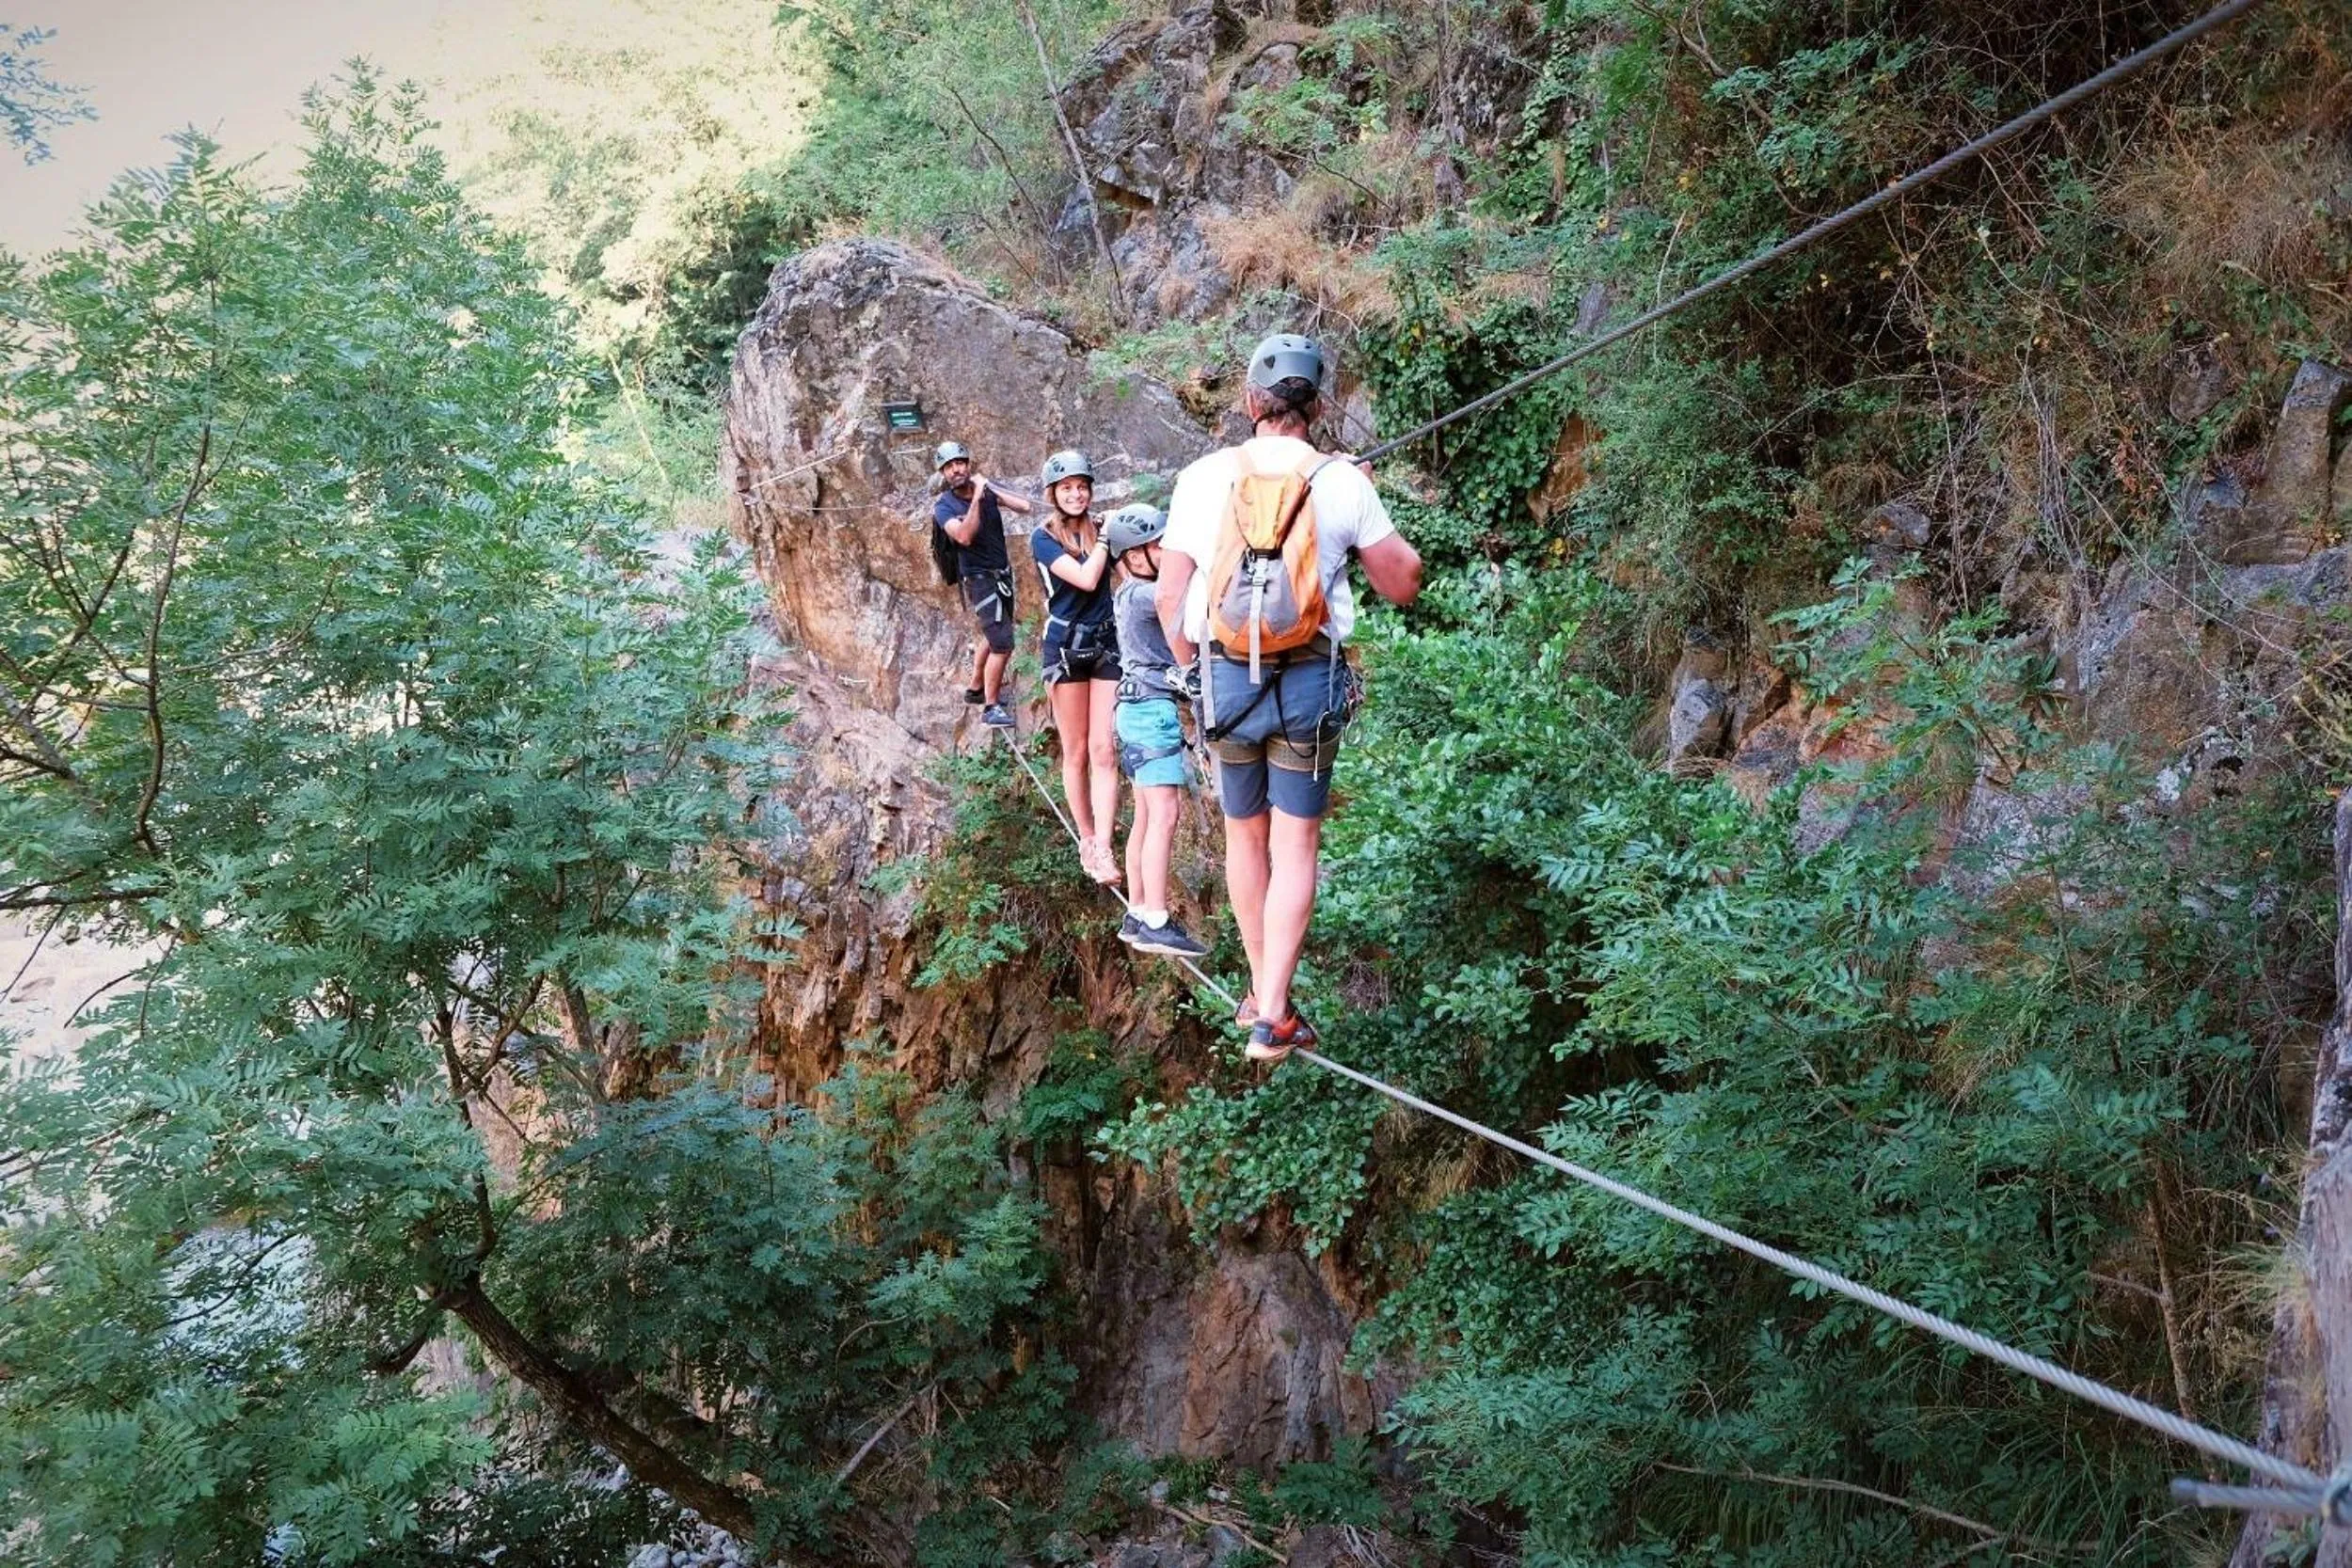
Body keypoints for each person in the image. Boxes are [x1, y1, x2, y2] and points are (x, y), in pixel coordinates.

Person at [1155, 334, 1422, 1062]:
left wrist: (1192, 676)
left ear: (1251, 402)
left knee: (1245, 835)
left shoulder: (1202, 477)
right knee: (1295, 841)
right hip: (1308, 680)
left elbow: (1170, 597)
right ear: (1319, 408)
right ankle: (1273, 1008)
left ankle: (1261, 995)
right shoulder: (1340, 480)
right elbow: (1404, 582)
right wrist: (1360, 495)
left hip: (1224, 681)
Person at [1103, 502, 1212, 959]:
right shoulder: (1145, 595)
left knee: (1147, 817)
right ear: (1133, 556)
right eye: (1157, 546)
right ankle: (1156, 920)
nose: (1166, 552)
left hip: (1134, 710)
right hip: (1150, 712)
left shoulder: (1128, 592)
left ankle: (1137, 913)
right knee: (1165, 815)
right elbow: (1183, 593)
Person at [1029, 449, 1123, 885]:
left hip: (1104, 642)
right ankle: (1087, 838)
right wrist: (1105, 539)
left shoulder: (1101, 529)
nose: (1076, 494)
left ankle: (1103, 846)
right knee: (1077, 750)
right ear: (1054, 493)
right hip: (1066, 647)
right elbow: (1085, 579)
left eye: (1082, 487)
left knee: (1104, 749)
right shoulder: (1043, 538)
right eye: (1067, 488)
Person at [933, 440, 1032, 728]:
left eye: (960, 463)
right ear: (943, 473)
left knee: (993, 632)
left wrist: (989, 489)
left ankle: (976, 687)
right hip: (979, 580)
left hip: (1002, 575)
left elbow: (1024, 506)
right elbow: (964, 536)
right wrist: (978, 496)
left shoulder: (986, 491)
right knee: (1002, 643)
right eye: (949, 467)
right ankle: (991, 707)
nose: (956, 470)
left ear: (968, 465)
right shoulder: (944, 507)